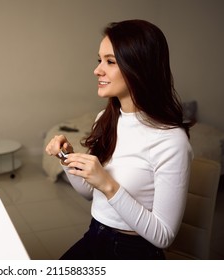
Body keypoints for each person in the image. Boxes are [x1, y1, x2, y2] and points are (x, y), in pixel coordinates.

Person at [45, 19, 193, 260]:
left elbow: (164, 236)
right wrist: (67, 158)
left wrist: (108, 184)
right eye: (99, 60)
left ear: (139, 67)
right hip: (95, 234)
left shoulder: (171, 142)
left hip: (134, 251)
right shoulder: (106, 117)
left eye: (110, 62)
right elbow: (90, 194)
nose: (97, 70)